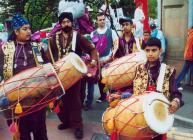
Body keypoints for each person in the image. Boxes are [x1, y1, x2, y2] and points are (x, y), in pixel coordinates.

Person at [108, 38, 184, 139]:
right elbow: (133, 89)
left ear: (160, 51)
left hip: (157, 116)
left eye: (154, 50)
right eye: (147, 50)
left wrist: (176, 102)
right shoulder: (139, 68)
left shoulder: (168, 71)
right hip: (139, 114)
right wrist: (121, 95)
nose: (150, 53)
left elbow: (176, 93)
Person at [47, 12, 98, 139]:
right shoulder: (53, 38)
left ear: (72, 22)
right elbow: (49, 55)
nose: (66, 24)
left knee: (74, 101)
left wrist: (93, 60)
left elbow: (92, 49)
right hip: (59, 76)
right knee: (60, 101)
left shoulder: (78, 36)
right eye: (63, 22)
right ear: (60, 24)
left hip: (74, 75)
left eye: (68, 21)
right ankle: (66, 122)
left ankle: (78, 126)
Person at [0, 14, 48, 140]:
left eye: (29, 28)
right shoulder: (5, 50)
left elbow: (46, 66)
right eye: (25, 29)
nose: (29, 32)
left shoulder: (37, 47)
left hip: (37, 99)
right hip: (17, 101)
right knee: (22, 134)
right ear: (16, 31)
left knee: (41, 133)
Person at [91, 12, 118, 103]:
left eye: (103, 19)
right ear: (97, 21)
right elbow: (91, 49)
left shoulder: (111, 32)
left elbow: (116, 45)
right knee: (100, 79)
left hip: (108, 59)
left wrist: (111, 56)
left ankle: (112, 95)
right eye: (100, 20)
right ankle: (102, 96)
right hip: (98, 61)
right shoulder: (93, 34)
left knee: (110, 78)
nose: (102, 21)